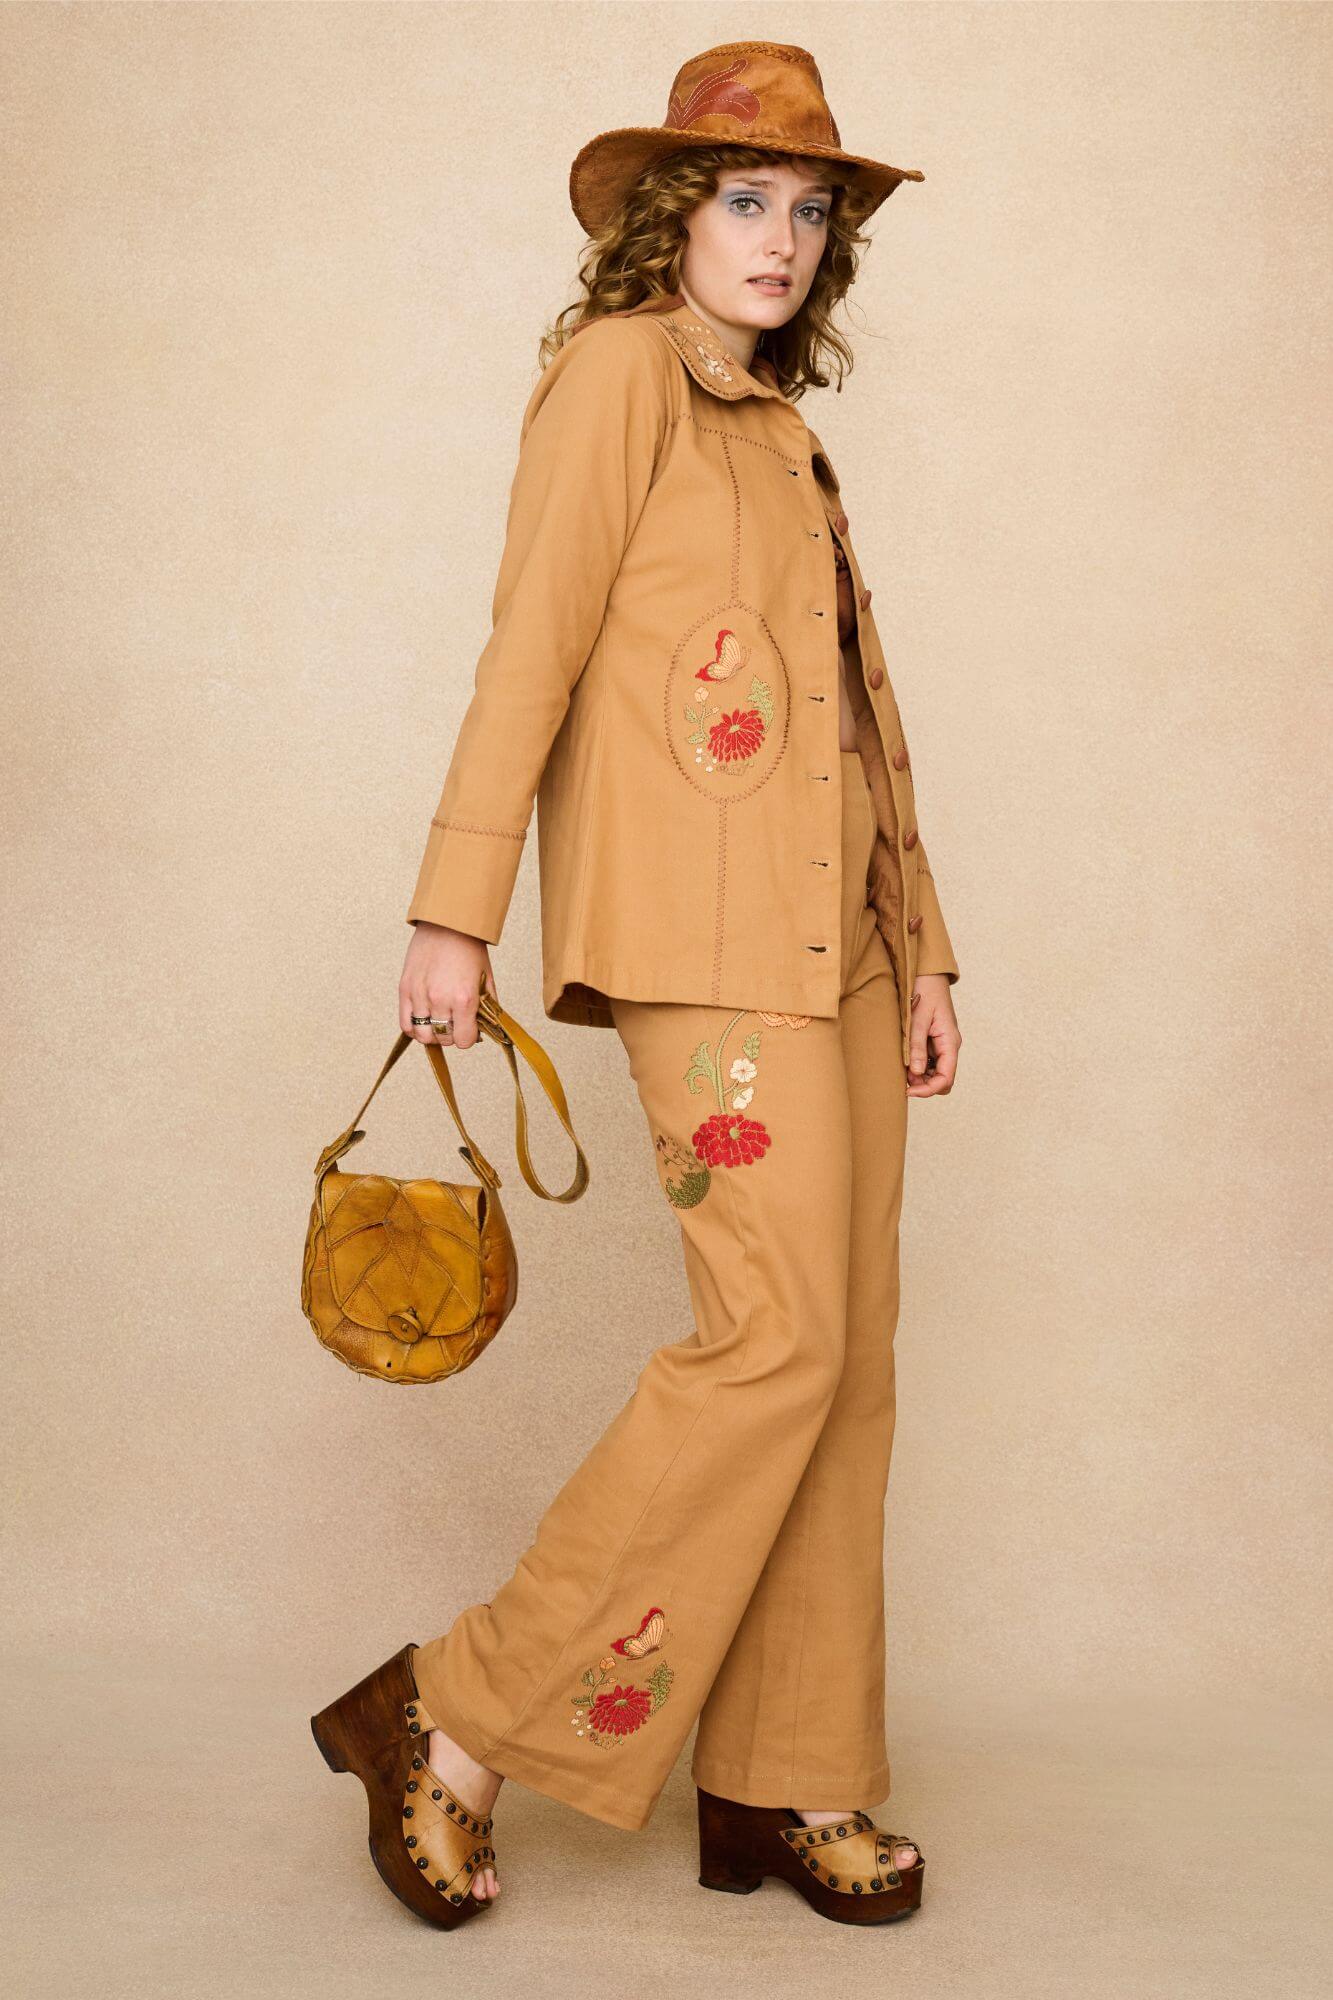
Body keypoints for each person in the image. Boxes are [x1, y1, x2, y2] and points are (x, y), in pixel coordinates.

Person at [310, 39, 962, 1932]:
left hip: (832, 941)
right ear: (671, 222)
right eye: (746, 202)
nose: (780, 238)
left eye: (809, 209)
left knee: (843, 1371)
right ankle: (453, 1710)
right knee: (770, 1346)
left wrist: (918, 944)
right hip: (694, 935)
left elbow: (853, 708)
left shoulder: (775, 423)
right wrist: (457, 907)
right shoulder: (617, 379)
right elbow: (534, 647)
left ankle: (787, 1776)